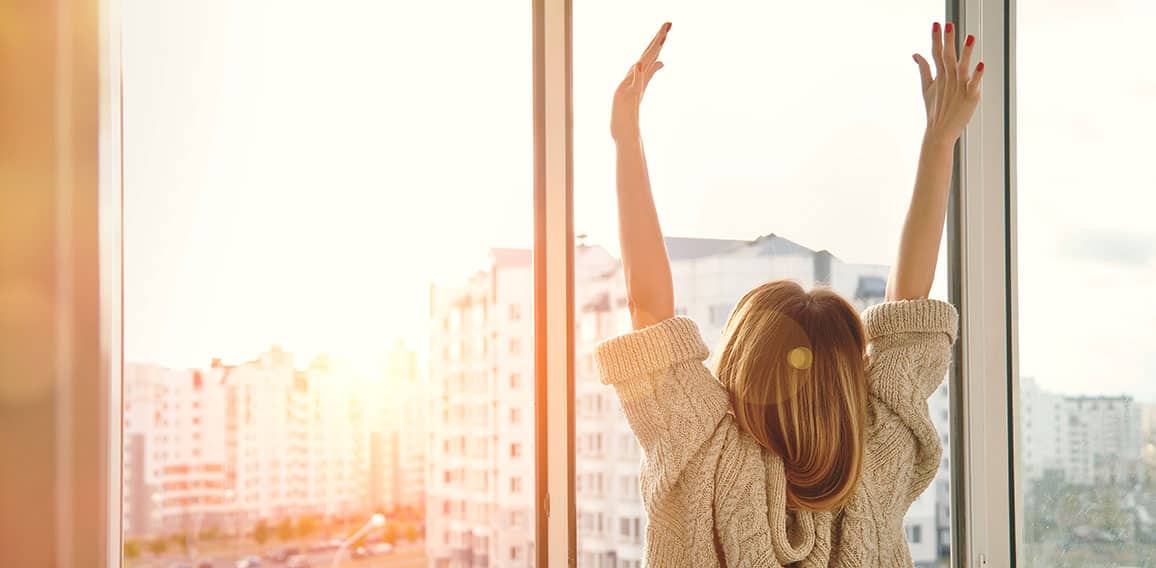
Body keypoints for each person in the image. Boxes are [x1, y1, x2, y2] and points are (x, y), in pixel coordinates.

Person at [596, 21, 983, 567]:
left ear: (741, 362)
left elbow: (648, 310)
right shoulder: (874, 469)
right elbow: (909, 315)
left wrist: (626, 138)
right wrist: (940, 140)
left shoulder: (706, 451)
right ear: (847, 380)